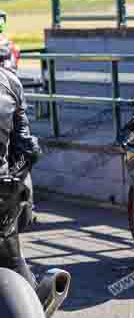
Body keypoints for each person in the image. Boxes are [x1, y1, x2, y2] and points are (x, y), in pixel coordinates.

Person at [0, 40, 42, 289]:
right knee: (14, 260)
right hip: (4, 191)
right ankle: (37, 299)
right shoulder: (11, 82)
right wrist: (12, 182)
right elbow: (29, 150)